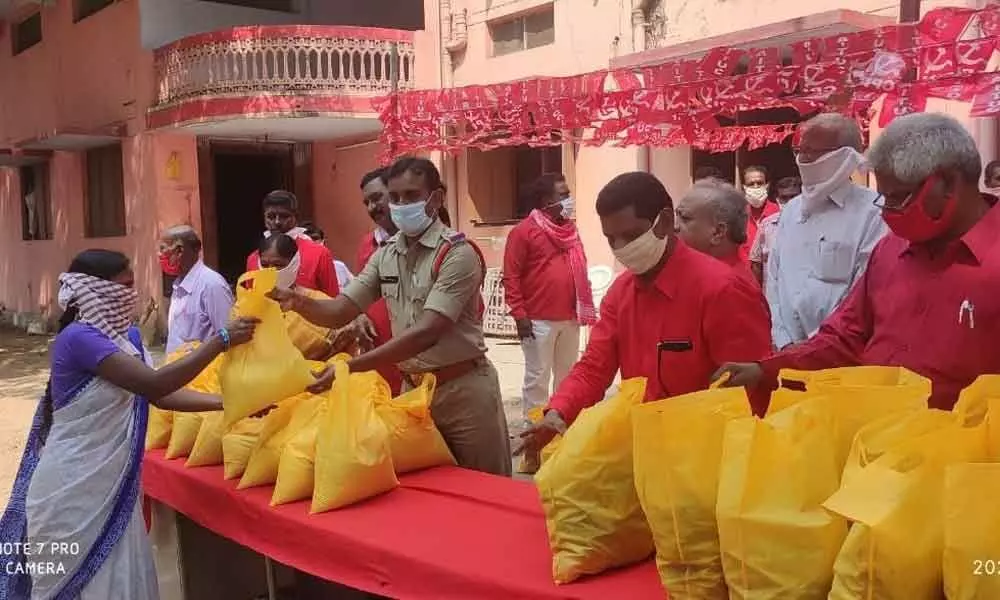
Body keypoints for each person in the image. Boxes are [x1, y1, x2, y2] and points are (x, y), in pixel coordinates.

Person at [0, 249, 257, 600]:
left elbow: (159, 396)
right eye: (124, 286)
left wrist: (228, 404)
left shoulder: (129, 339)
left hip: (114, 487)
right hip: (73, 488)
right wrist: (220, 341)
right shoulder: (78, 340)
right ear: (94, 290)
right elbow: (156, 385)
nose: (131, 295)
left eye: (133, 286)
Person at [715, 112, 1000, 411]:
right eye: (883, 198)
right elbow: (845, 337)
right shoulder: (891, 251)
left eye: (898, 198)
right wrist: (765, 370)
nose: (887, 212)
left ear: (949, 185)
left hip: (965, 449)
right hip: (873, 437)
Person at [269, 157, 510, 476]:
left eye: (411, 196)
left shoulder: (456, 254)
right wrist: (296, 301)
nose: (400, 205)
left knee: (485, 491)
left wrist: (348, 367)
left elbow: (426, 333)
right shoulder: (386, 255)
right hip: (413, 393)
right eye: (394, 197)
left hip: (463, 392)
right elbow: (341, 310)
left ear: (435, 199)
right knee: (428, 493)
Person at [515, 172, 772, 458]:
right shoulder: (621, 293)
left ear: (663, 221)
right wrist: (559, 411)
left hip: (712, 456)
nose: (622, 247)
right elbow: (593, 367)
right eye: (611, 239)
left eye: (631, 235)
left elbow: (751, 393)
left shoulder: (722, 289)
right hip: (649, 451)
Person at [766, 113, 886, 350]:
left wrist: (822, 347)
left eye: (813, 152)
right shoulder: (791, 210)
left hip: (843, 354)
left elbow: (864, 291)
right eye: (800, 150)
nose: (804, 158)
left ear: (846, 155)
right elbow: (774, 281)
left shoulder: (873, 212)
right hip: (787, 353)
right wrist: (784, 342)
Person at [503, 173, 596, 432]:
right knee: (538, 380)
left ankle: (562, 431)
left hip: (570, 316)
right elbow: (511, 276)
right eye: (563, 195)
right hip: (537, 320)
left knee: (567, 378)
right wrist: (520, 316)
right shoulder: (523, 232)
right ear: (546, 200)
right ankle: (533, 432)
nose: (569, 200)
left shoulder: (571, 230)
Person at [258, 234, 357, 361]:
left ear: (294, 264)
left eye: (278, 264)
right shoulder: (249, 305)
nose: (270, 271)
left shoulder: (319, 301)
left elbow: (347, 345)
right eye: (264, 265)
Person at [354, 167, 404, 395]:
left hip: (418, 355)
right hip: (378, 353)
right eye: (367, 203)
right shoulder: (367, 245)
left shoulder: (434, 245)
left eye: (377, 198)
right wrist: (359, 315)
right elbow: (359, 293)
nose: (372, 207)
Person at [245, 190, 340, 298]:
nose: (277, 222)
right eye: (271, 217)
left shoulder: (319, 254)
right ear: (264, 218)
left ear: (296, 216)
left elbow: (333, 302)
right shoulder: (254, 259)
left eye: (284, 216)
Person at [159, 225, 234, 353]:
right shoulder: (178, 285)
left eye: (163, 249)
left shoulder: (212, 285)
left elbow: (229, 335)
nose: (160, 255)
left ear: (179, 251)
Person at [674, 178, 752, 276]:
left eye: (685, 218)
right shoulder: (698, 271)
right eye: (677, 215)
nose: (675, 226)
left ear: (717, 232)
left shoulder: (729, 285)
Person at [749, 176, 802, 285]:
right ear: (777, 199)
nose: (789, 201)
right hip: (772, 295)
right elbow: (756, 263)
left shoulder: (812, 224)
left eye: (793, 196)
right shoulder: (766, 226)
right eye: (784, 197)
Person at [740, 165, 781, 262]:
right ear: (744, 187)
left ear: (767, 185)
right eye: (751, 184)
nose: (756, 187)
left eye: (759, 183)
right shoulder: (738, 215)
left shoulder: (778, 213)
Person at [300, 221, 356, 290]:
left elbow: (356, 289)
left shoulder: (339, 266)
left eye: (315, 238)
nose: (312, 243)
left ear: (323, 241)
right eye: (307, 240)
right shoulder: (297, 272)